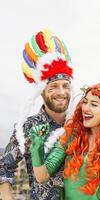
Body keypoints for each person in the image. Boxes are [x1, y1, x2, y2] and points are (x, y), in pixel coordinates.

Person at [0, 29, 74, 200]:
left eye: (65, 86)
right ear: (42, 92)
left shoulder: (81, 125)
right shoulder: (29, 127)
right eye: (53, 87)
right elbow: (3, 168)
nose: (61, 92)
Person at [29, 83, 100, 199]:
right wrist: (36, 147)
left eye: (94, 104)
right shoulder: (71, 138)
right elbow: (42, 176)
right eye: (84, 102)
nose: (85, 108)